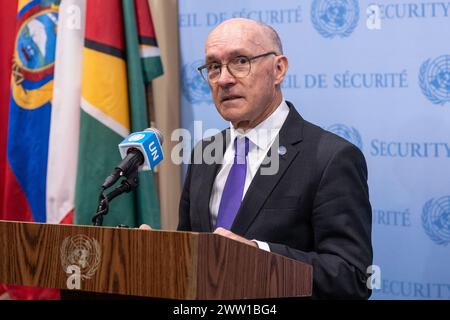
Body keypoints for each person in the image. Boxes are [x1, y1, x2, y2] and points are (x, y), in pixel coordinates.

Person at [176, 18, 373, 299]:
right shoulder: (204, 153)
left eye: (240, 61)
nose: (224, 79)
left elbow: (352, 277)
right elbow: (191, 252)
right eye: (213, 67)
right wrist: (159, 253)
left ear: (278, 69)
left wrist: (259, 257)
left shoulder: (331, 158)